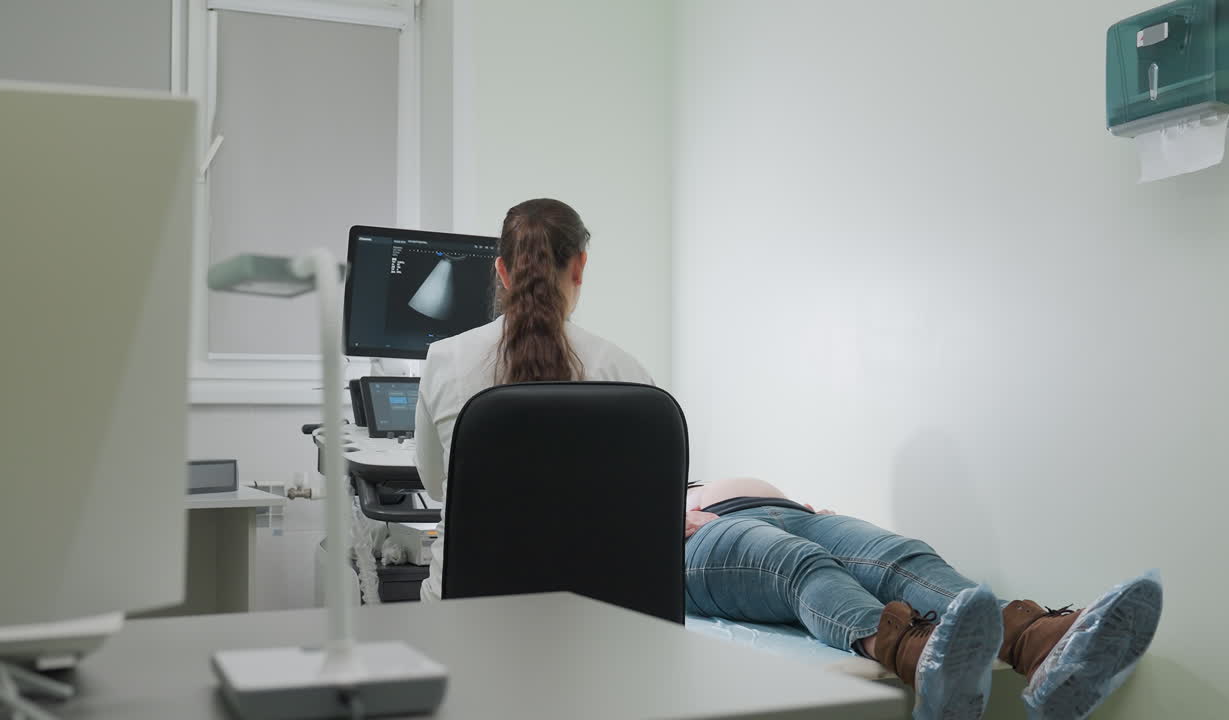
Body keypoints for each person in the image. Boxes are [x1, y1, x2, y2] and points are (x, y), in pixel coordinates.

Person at [684, 477, 1163, 720]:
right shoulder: (633, 475)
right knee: (797, 563)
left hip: (795, 511)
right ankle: (915, 656)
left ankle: (1037, 646)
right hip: (689, 540)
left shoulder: (665, 450)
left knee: (900, 556)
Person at [414, 198, 653, 601]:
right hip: (593, 613)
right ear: (579, 267)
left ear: (503, 272)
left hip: (464, 611)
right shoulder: (626, 373)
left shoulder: (445, 360)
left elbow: (434, 486)